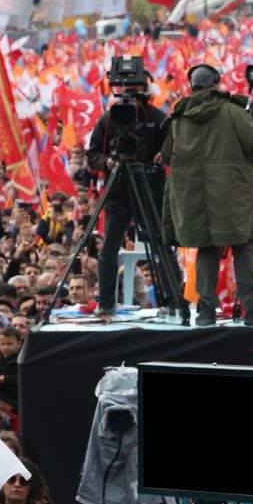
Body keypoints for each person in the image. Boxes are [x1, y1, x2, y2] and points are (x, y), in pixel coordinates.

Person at [161, 64, 253, 326]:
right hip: (234, 193)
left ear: (192, 86)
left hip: (196, 197)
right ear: (216, 83)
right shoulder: (232, 111)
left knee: (206, 248)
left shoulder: (178, 117)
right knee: (244, 245)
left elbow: (168, 154)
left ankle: (205, 311)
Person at [85, 60, 168, 317]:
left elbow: (174, 147)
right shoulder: (109, 119)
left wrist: (164, 153)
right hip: (118, 193)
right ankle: (106, 302)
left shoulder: (158, 118)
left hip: (149, 191)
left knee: (160, 245)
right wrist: (107, 162)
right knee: (109, 249)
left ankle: (169, 300)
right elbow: (92, 155)